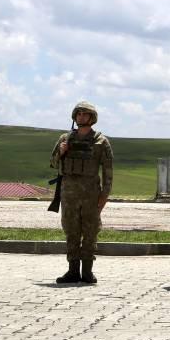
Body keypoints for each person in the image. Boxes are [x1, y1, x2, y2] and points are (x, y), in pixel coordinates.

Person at [50, 101, 113, 285]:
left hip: (91, 194)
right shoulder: (65, 139)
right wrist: (60, 152)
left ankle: (87, 271)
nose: (81, 117)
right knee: (71, 231)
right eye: (79, 114)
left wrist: (105, 195)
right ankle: (72, 270)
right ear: (75, 117)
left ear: (92, 118)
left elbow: (108, 171)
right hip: (69, 194)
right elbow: (53, 163)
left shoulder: (101, 141)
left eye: (85, 114)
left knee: (90, 230)